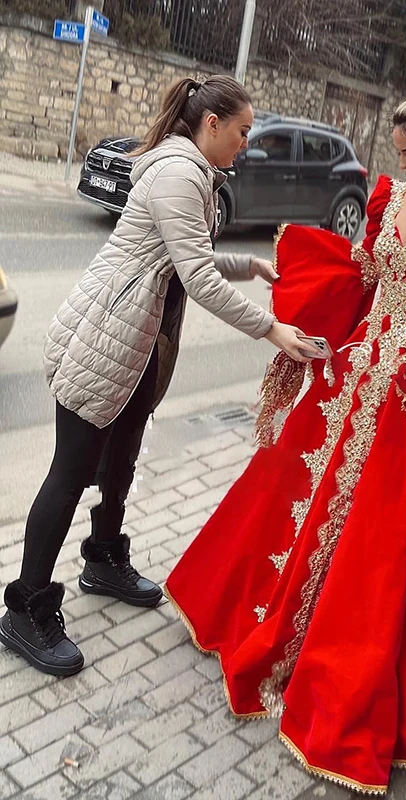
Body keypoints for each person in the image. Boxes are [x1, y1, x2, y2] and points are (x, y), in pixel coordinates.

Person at [166, 54, 406, 794]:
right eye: (399, 155)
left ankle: (347, 680)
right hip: (354, 379)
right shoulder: (393, 198)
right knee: (288, 498)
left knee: (387, 554)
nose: (404, 167)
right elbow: (366, 272)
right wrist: (308, 297)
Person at [0, 75, 311, 678]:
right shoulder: (180, 173)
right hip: (104, 337)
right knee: (69, 474)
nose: (246, 144)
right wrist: (272, 329)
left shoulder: (194, 172)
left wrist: (248, 265)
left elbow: (180, 253)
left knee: (122, 458)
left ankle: (104, 557)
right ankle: (24, 609)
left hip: (138, 343)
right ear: (212, 123)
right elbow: (194, 275)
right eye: (243, 132)